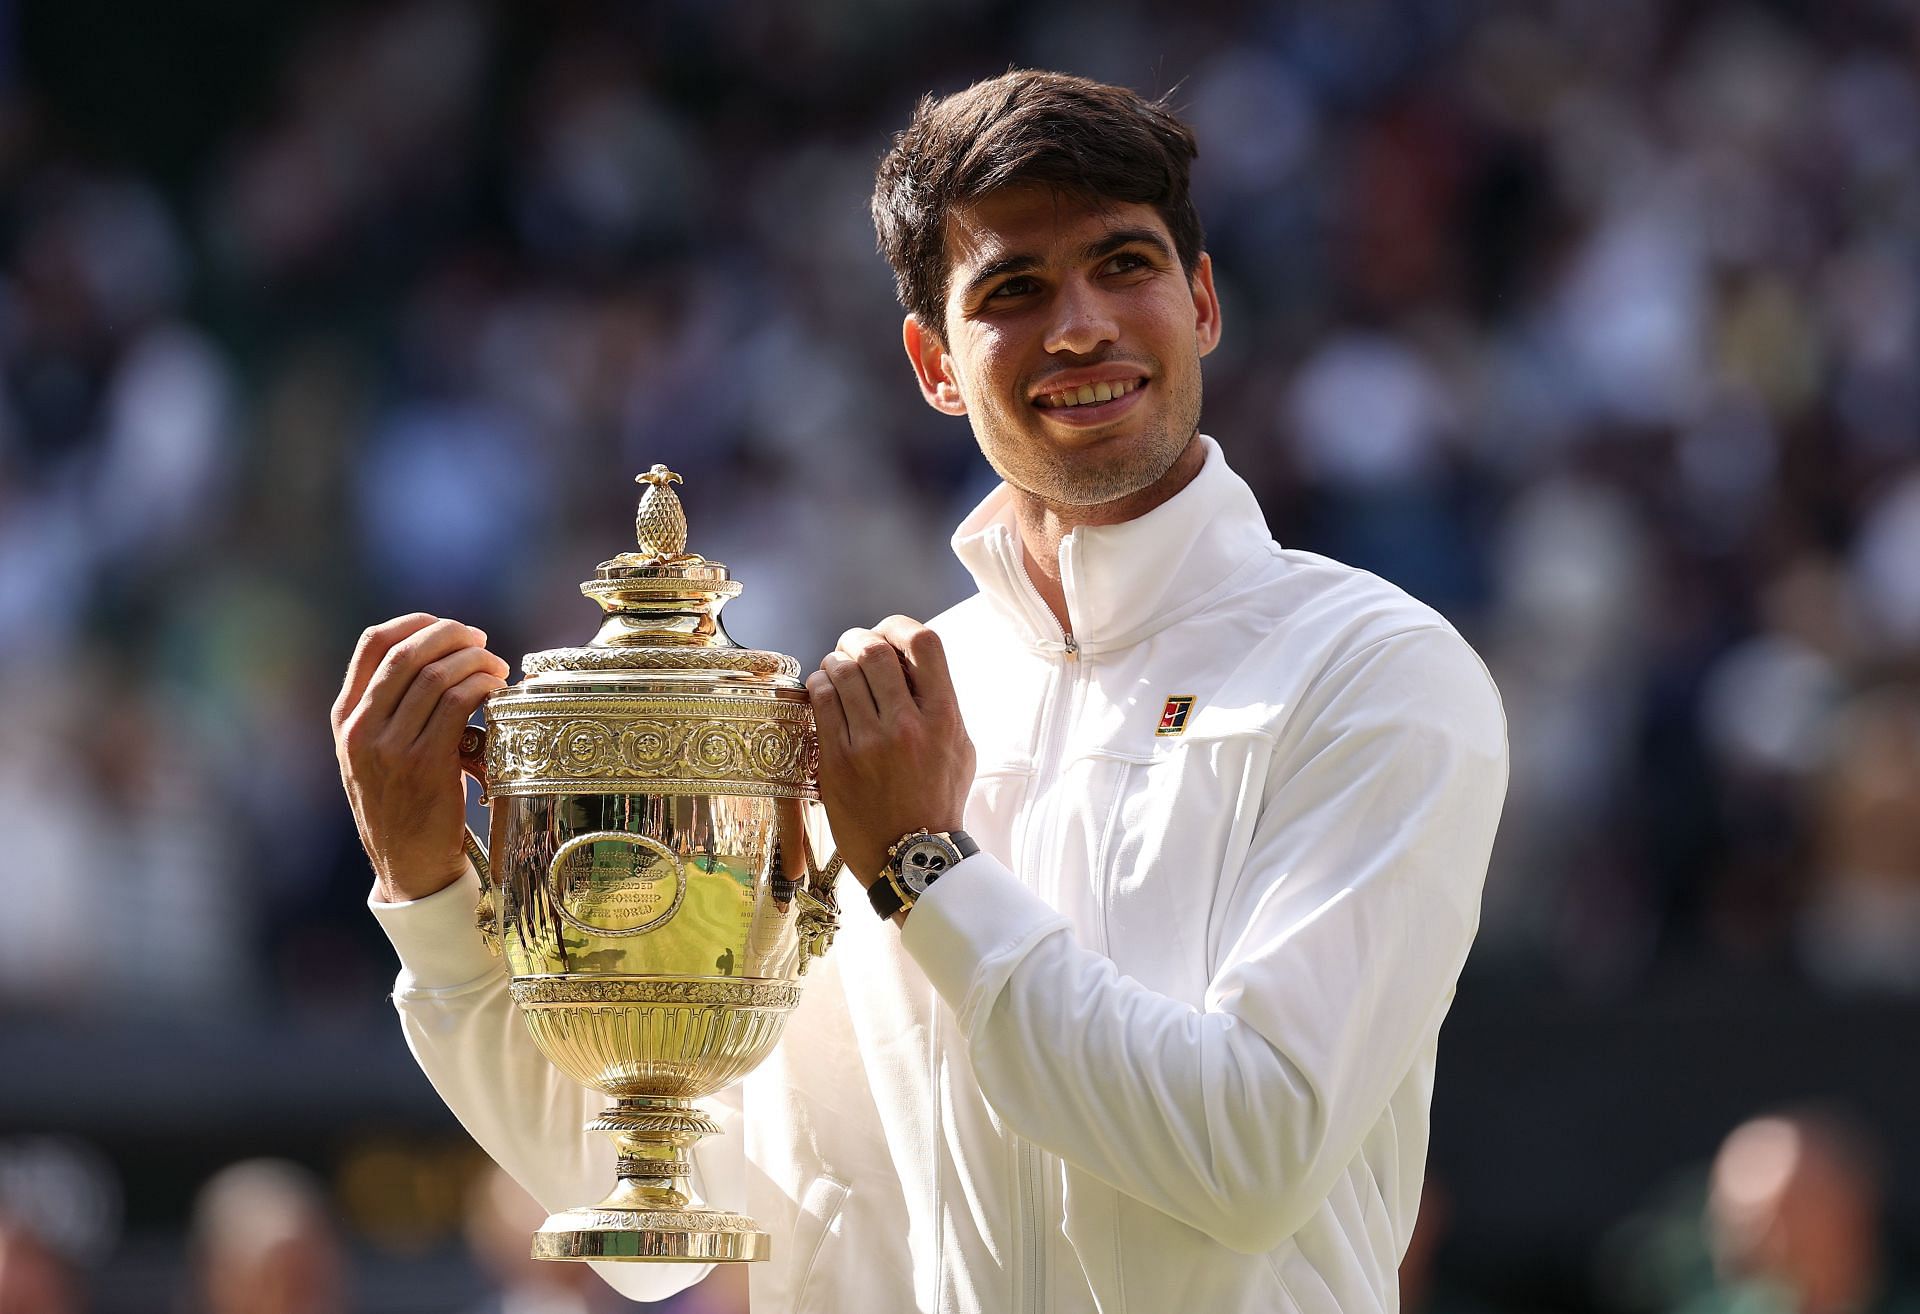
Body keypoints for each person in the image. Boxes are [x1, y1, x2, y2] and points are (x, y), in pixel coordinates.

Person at [337, 70, 1508, 1313]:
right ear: (934, 364)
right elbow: (677, 1210)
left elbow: (1255, 1153)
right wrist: (430, 895)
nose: (1082, 326)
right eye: (1014, 289)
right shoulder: (871, 716)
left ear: (1203, 302)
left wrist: (924, 868)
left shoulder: (1374, 666)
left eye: (1125, 264)